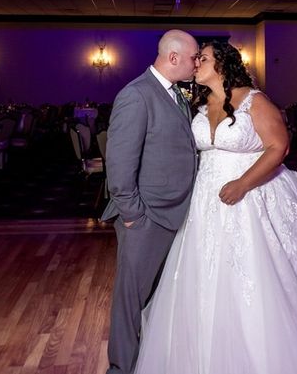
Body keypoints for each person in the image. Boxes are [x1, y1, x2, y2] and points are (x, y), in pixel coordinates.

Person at [134, 41, 297, 374]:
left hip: (252, 197)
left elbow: (279, 147)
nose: (195, 64)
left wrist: (243, 184)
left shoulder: (255, 101)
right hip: (205, 201)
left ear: (222, 64)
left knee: (258, 276)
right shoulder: (201, 106)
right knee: (202, 275)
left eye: (202, 58)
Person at [100, 29, 199, 374]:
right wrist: (133, 216)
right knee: (131, 299)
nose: (196, 63)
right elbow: (120, 164)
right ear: (173, 58)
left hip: (174, 213)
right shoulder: (137, 95)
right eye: (193, 57)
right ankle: (120, 369)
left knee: (158, 297)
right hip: (147, 217)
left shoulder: (177, 95)